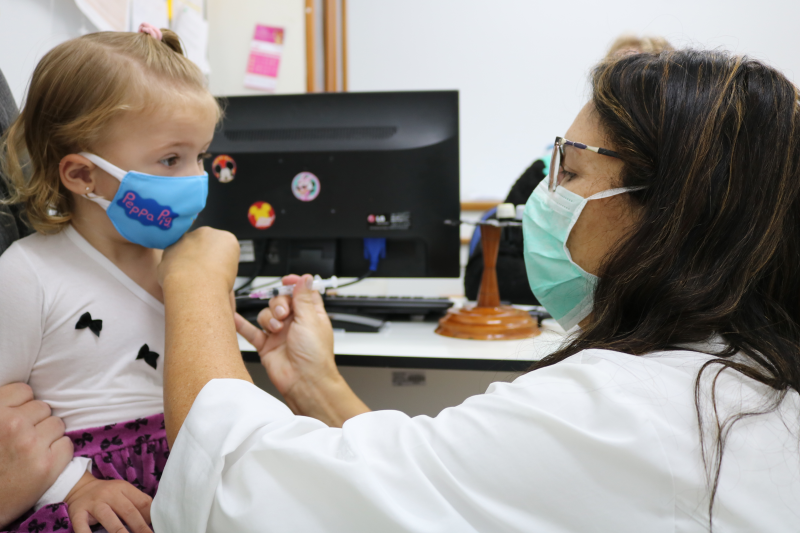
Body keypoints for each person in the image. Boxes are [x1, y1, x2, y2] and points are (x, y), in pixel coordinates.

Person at [150, 49, 800, 532]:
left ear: (667, 210)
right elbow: (443, 491)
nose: (538, 202)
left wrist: (196, 284)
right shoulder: (744, 377)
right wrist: (318, 388)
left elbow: (238, 485)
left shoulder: (624, 411)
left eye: (569, 172)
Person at [0, 24, 219, 533]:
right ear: (82, 176)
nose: (194, 179)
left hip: (190, 476)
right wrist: (73, 485)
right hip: (85, 492)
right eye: (170, 159)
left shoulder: (187, 269)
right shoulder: (26, 273)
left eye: (200, 156)